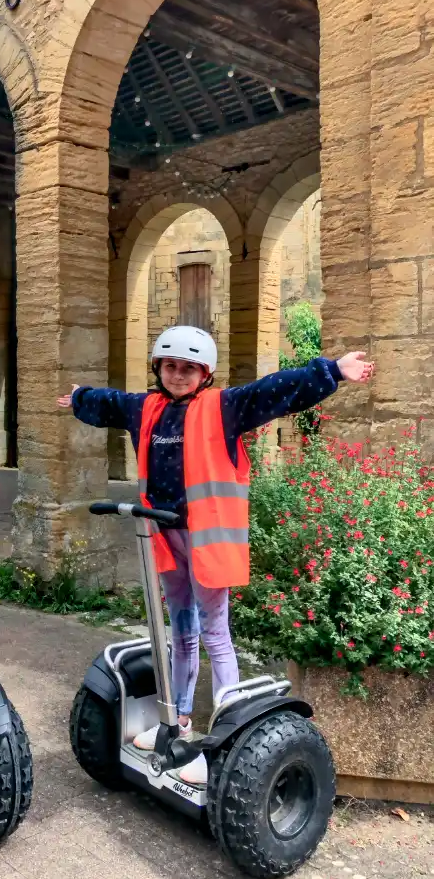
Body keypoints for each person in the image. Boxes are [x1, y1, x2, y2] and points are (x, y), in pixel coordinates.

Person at [58, 326, 374, 783]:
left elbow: (277, 390)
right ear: (158, 368)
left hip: (208, 539)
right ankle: (177, 719)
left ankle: (226, 741)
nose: (178, 375)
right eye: (170, 366)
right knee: (180, 632)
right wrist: (80, 398)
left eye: (188, 368)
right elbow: (110, 403)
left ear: (204, 373)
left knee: (215, 632)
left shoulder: (225, 407)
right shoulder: (147, 409)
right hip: (165, 537)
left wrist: (332, 372)